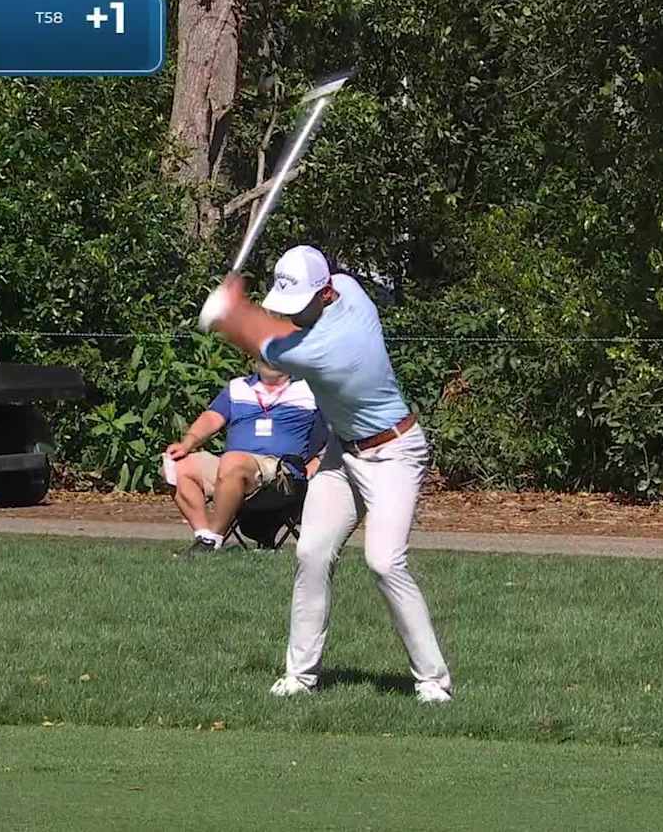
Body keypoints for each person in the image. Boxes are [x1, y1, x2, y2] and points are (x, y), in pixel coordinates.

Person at [196, 245, 454, 704]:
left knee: (384, 560)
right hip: (342, 452)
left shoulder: (331, 345)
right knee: (312, 552)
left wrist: (228, 310)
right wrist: (238, 307)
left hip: (395, 453)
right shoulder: (351, 290)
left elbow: (263, 339)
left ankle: (433, 681)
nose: (294, 314)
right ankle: (300, 675)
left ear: (328, 293)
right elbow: (267, 327)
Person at [165, 360, 325, 556]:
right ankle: (205, 537)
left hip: (280, 472)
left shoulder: (311, 390)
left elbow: (338, 430)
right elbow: (212, 417)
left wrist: (319, 460)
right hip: (232, 468)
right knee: (176, 464)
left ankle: (213, 540)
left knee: (233, 461)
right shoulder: (237, 387)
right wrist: (187, 443)